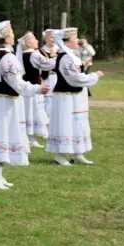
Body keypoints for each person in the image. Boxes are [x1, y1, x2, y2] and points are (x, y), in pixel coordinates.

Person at [0, 21, 51, 189]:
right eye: (11, 33)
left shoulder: (0, 53)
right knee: (3, 134)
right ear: (6, 37)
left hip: (3, 99)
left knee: (4, 134)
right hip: (3, 101)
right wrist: (37, 88)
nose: (14, 36)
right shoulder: (7, 57)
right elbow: (16, 82)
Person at [46, 28, 103, 166]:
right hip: (65, 96)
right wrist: (94, 76)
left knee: (78, 124)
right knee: (66, 124)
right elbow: (74, 78)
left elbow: (87, 59)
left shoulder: (72, 55)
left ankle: (78, 153)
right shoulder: (65, 57)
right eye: (74, 38)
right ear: (67, 42)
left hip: (76, 96)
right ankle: (60, 155)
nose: (78, 40)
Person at [18, 32, 55, 148]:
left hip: (27, 87)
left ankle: (30, 137)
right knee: (32, 112)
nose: (37, 41)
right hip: (33, 88)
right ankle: (30, 138)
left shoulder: (23, 55)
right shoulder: (33, 54)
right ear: (29, 43)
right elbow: (48, 64)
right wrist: (55, 56)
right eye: (34, 39)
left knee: (30, 112)